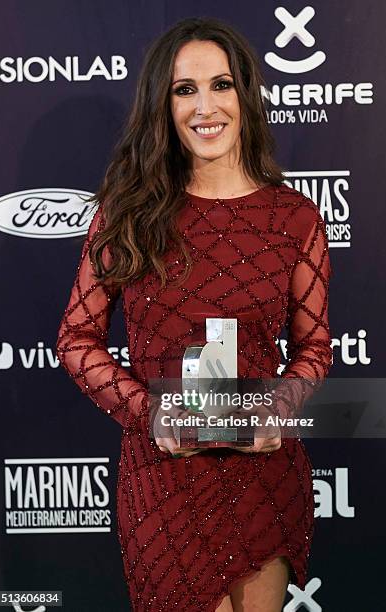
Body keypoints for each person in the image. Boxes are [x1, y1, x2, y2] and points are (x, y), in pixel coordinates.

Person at [56, 16, 332, 612]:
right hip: (163, 478)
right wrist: (151, 414)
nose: (206, 106)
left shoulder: (295, 218)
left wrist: (280, 410)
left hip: (263, 477)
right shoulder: (128, 214)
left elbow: (313, 350)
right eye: (185, 89)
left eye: (221, 85)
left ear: (245, 96)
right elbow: (77, 338)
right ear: (164, 105)